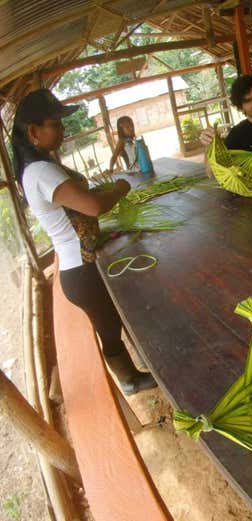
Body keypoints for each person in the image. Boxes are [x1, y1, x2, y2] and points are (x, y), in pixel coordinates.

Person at [11, 88, 156, 395]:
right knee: (109, 327)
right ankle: (129, 381)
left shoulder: (40, 166)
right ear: (33, 131)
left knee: (116, 316)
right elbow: (92, 206)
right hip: (80, 269)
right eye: (55, 124)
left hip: (81, 262)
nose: (62, 130)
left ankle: (143, 362)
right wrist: (119, 189)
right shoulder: (40, 171)